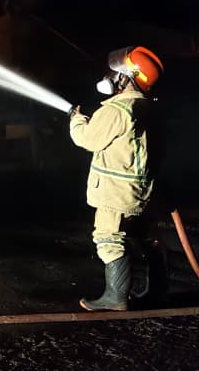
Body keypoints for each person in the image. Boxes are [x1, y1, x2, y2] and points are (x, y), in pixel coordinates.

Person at [68, 46, 164, 311]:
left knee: (108, 238)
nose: (111, 77)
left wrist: (76, 121)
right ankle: (157, 292)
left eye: (117, 73)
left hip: (116, 192)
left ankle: (116, 297)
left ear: (127, 78)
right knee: (146, 238)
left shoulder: (118, 109)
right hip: (143, 191)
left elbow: (88, 139)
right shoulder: (147, 108)